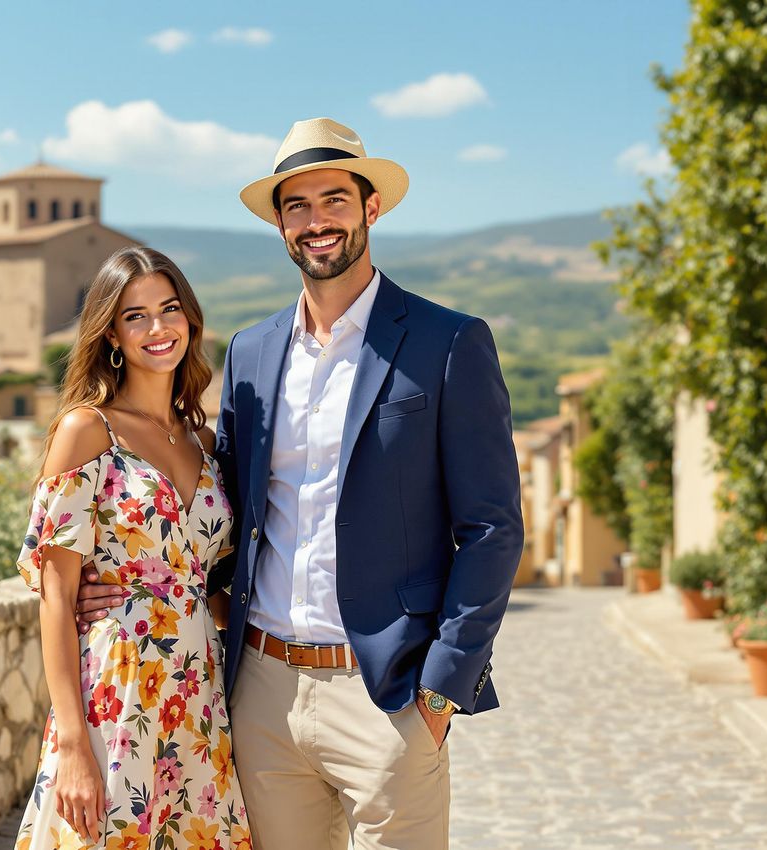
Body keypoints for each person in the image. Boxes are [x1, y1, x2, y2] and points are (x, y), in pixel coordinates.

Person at [77, 118, 524, 850]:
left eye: (334, 200)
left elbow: (492, 528)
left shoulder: (448, 342)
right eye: (297, 206)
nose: (317, 221)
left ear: (370, 208)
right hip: (263, 694)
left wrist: (443, 689)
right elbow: (222, 511)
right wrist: (135, 584)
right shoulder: (250, 352)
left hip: (388, 694)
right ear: (281, 224)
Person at [15, 246, 251, 850]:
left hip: (199, 695)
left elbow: (209, 580)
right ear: (112, 334)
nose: (157, 328)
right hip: (118, 691)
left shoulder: (203, 440)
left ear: (190, 321)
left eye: (169, 309)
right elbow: (55, 594)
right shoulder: (86, 431)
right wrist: (72, 743)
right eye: (135, 316)